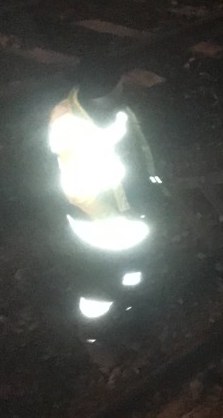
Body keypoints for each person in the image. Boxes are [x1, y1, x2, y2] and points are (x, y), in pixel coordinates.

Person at [48, 62, 161, 326]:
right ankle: (96, 329)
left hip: (126, 211)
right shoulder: (71, 127)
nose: (125, 84)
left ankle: (133, 303)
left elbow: (135, 148)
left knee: (131, 265)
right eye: (119, 82)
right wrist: (117, 217)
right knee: (102, 280)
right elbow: (78, 192)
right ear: (109, 90)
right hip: (101, 224)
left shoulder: (110, 109)